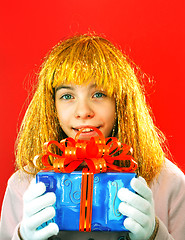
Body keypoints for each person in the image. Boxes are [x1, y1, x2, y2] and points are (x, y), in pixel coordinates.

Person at [0, 34, 184, 240]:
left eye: (99, 94)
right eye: (67, 96)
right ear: (52, 107)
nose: (83, 111)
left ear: (120, 102)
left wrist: (155, 234)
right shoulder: (22, 184)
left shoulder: (169, 182)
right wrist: (22, 236)